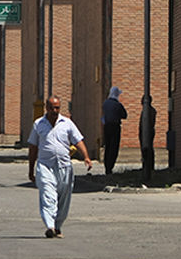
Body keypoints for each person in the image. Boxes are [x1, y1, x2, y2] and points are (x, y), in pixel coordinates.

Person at [28, 96, 93, 239]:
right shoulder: (38, 124)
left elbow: (78, 141)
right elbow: (33, 147)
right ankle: (49, 225)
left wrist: (86, 157)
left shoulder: (67, 123)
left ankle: (57, 226)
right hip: (45, 166)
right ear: (46, 108)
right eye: (51, 108)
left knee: (63, 199)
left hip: (64, 166)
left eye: (57, 108)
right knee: (47, 194)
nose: (54, 110)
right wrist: (31, 169)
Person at [101, 86, 127, 175]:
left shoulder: (105, 103)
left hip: (106, 126)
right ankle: (110, 166)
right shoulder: (118, 105)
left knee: (107, 147)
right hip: (115, 127)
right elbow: (124, 115)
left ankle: (106, 167)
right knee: (114, 147)